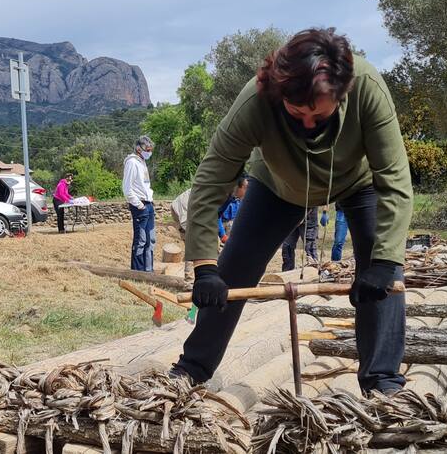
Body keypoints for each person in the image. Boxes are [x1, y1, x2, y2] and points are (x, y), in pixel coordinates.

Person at [173, 28, 413, 395]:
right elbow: (210, 181)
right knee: (233, 267)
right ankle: (192, 368)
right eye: (296, 112)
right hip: (277, 184)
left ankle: (382, 381)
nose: (307, 124)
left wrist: (382, 262)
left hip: (357, 182)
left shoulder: (367, 87)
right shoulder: (255, 100)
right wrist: (205, 266)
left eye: (317, 115)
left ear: (342, 91)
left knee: (383, 264)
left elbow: (395, 181)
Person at [123, 135, 156, 271]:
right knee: (140, 240)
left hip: (148, 204)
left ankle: (148, 270)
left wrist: (149, 204)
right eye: (147, 149)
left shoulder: (142, 162)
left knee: (150, 240)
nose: (149, 151)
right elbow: (127, 188)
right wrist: (139, 204)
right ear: (138, 148)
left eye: (150, 149)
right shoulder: (132, 162)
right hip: (140, 205)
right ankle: (137, 271)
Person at [216, 176, 249, 243]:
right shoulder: (224, 195)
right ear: (238, 187)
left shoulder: (237, 198)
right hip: (217, 221)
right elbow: (215, 215)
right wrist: (222, 235)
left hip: (229, 221)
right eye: (245, 188)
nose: (247, 192)